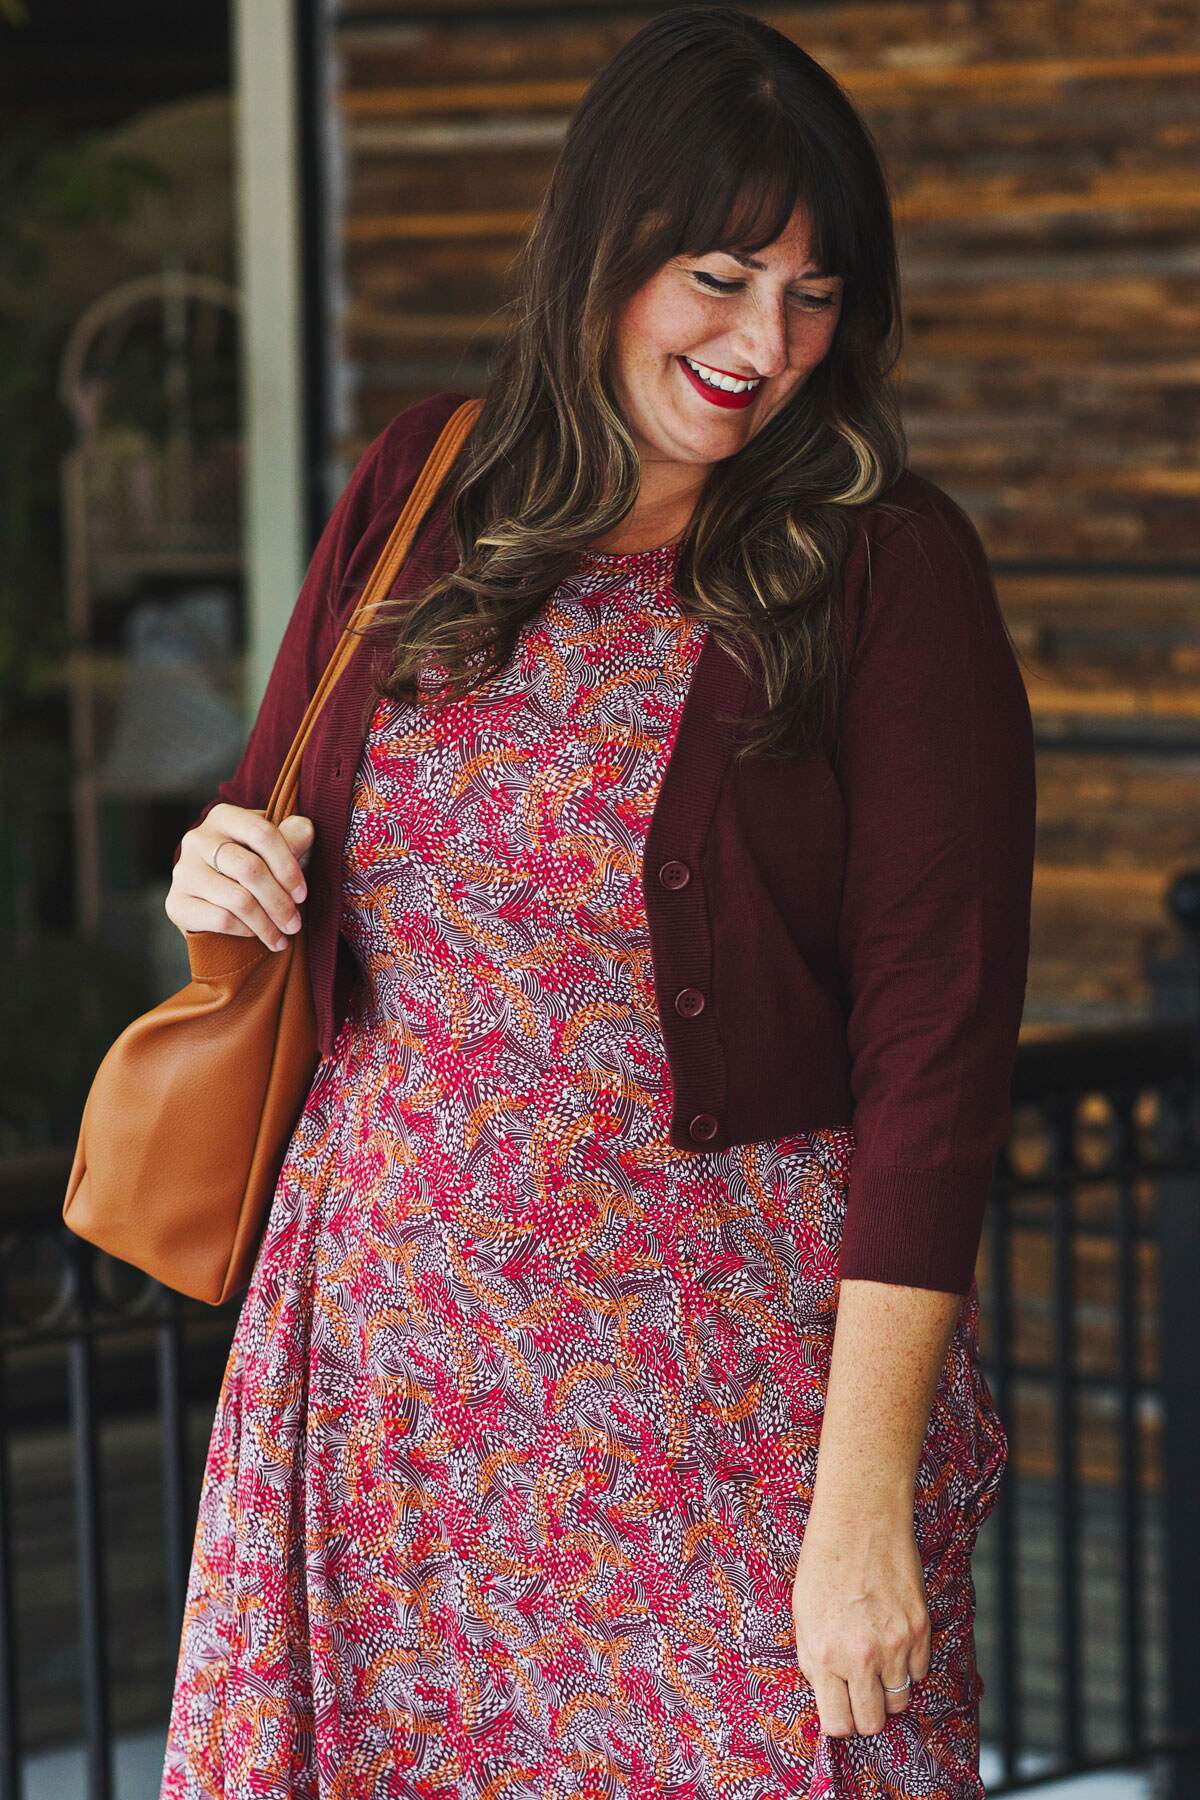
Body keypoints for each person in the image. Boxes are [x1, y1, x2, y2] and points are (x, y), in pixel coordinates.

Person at [159, 7, 1034, 1796]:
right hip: (393, 1394)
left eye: (813, 294)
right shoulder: (425, 487)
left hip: (725, 1421)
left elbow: (937, 1054)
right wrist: (217, 872)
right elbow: (275, 838)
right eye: (718, 275)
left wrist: (861, 1505)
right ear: (602, 250)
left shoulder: (883, 566)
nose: (763, 343)